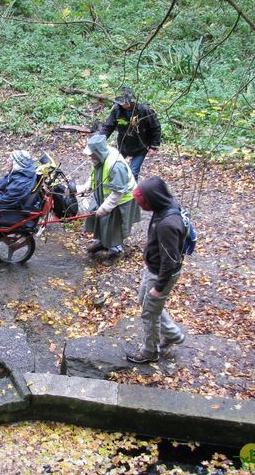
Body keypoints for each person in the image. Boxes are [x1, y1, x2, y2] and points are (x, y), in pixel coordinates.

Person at [126, 176, 187, 364]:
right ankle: (173, 334)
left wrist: (159, 286)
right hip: (153, 268)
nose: (141, 206)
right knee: (144, 300)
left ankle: (149, 351)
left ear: (152, 200)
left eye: (141, 202)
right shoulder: (164, 207)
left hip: (161, 274)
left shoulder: (167, 225)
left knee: (149, 314)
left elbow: (170, 260)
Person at [78, 134, 140, 260]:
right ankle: (103, 242)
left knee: (113, 227)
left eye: (91, 154)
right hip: (105, 196)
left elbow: (118, 192)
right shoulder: (99, 157)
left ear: (98, 152)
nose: (90, 157)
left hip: (121, 200)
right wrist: (86, 186)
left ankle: (115, 251)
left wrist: (104, 208)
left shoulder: (115, 165)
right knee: (102, 222)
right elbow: (96, 173)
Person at [100, 86, 161, 181]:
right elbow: (108, 126)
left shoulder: (144, 110)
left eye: (124, 102)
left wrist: (154, 146)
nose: (122, 104)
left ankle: (133, 195)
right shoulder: (117, 109)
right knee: (115, 168)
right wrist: (100, 139)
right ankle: (118, 190)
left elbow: (155, 127)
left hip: (141, 147)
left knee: (133, 173)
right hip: (123, 145)